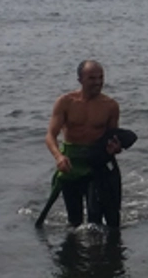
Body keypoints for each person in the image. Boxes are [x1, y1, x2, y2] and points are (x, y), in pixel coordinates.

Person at [44, 60, 128, 228]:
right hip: (71, 161)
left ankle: (103, 251)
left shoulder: (110, 106)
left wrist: (115, 148)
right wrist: (59, 157)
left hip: (96, 161)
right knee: (74, 220)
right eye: (92, 78)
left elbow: (112, 138)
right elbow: (50, 136)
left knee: (95, 218)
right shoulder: (66, 102)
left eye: (100, 77)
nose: (97, 82)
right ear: (80, 80)